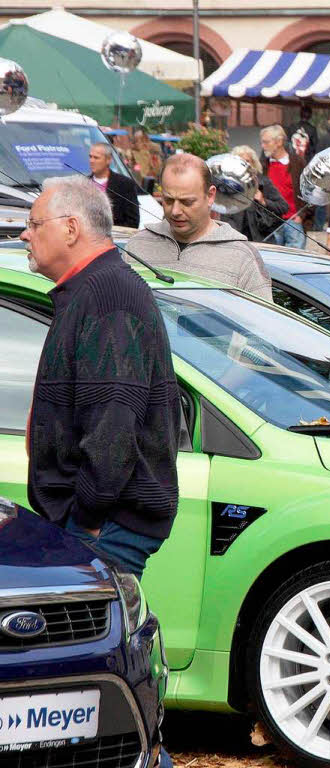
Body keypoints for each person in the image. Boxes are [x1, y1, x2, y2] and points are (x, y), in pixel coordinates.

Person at [21, 176, 179, 576]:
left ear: (71, 228)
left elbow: (113, 426)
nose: (25, 234)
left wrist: (86, 518)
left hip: (103, 528)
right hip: (96, 524)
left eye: (36, 223)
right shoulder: (94, 289)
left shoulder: (108, 295)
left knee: (90, 639)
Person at [126, 153, 272, 301]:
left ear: (210, 196)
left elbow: (263, 321)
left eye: (187, 202)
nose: (175, 211)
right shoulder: (137, 245)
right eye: (168, 200)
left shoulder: (241, 256)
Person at [222, 145, 289, 244]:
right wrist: (235, 236)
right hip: (237, 242)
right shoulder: (228, 185)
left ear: (253, 163)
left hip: (263, 241)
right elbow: (223, 215)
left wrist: (263, 201)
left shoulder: (263, 182)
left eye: (247, 161)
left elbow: (283, 207)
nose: (244, 164)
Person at [259, 124, 308, 250]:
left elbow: (309, 189)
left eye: (266, 142)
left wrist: (302, 215)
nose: (263, 146)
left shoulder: (297, 163)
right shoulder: (262, 165)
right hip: (269, 222)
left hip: (293, 220)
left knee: (296, 260)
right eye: (262, 142)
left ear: (279, 142)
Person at [88, 141, 139, 229]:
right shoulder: (83, 183)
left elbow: (133, 222)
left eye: (96, 158)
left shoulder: (125, 184)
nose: (91, 161)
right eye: (90, 157)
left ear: (108, 160)